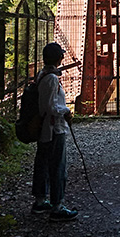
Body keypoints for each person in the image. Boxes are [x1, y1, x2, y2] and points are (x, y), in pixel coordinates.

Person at [31, 42, 77, 221]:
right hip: (53, 129)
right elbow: (50, 107)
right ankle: (57, 206)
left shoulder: (42, 74)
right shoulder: (51, 79)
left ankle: (40, 201)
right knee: (58, 167)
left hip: (44, 130)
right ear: (59, 58)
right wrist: (65, 111)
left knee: (42, 164)